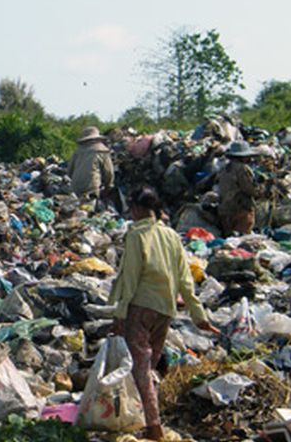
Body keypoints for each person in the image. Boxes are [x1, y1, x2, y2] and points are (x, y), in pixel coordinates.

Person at [110, 185, 218, 441]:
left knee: (141, 368)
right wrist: (198, 315)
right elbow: (185, 278)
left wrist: (120, 313)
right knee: (148, 367)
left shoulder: (137, 235)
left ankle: (153, 425)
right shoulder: (171, 236)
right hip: (166, 310)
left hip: (141, 308)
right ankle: (143, 416)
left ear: (136, 209)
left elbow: (131, 278)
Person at [217, 140, 259, 236]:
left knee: (230, 239)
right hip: (240, 210)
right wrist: (261, 190)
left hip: (224, 210)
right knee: (242, 239)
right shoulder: (243, 168)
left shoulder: (225, 168)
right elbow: (249, 189)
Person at [67, 126, 114, 199]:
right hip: (91, 188)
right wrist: (109, 186)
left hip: (75, 187)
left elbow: (69, 171)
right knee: (90, 208)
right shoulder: (102, 151)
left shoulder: (78, 151)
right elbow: (109, 172)